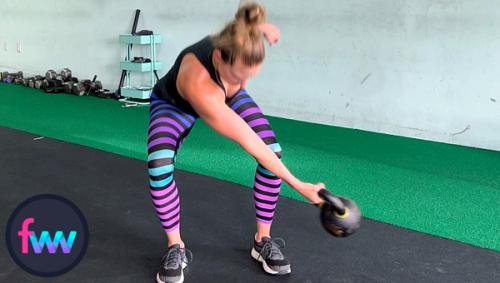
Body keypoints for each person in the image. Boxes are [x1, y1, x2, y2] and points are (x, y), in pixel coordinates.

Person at [147, 2, 325, 283]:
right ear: (218, 58)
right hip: (174, 104)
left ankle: (262, 240)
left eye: (249, 78)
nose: (244, 85)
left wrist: (264, 28)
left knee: (274, 153)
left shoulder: (242, 38)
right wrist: (299, 185)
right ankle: (175, 246)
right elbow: (250, 141)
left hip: (221, 92)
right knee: (158, 168)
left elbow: (249, 25)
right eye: (238, 77)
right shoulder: (199, 83)